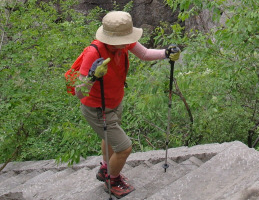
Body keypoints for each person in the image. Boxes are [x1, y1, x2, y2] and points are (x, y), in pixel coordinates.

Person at [74, 10, 180, 198]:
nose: (128, 42)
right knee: (124, 148)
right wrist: (91, 76)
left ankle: (106, 168)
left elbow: (145, 54)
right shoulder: (94, 52)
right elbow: (79, 92)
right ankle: (111, 179)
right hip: (97, 108)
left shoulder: (123, 41)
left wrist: (165, 54)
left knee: (109, 138)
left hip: (115, 102)